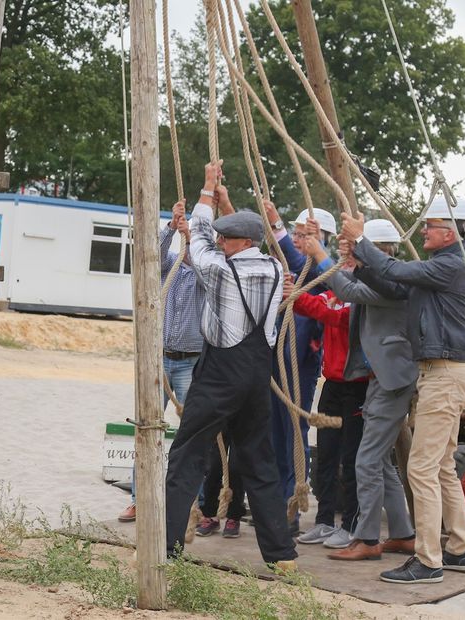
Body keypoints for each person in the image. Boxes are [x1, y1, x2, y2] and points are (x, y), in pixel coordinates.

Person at [163, 161, 296, 571]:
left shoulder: (220, 269)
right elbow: (207, 239)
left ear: (237, 242)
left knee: (186, 456)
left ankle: (164, 547)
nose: (219, 242)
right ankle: (282, 557)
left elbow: (198, 238)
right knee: (260, 464)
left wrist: (206, 192)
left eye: (225, 238)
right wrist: (223, 205)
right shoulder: (275, 270)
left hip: (220, 375)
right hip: (256, 376)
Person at [343, 197, 465, 584]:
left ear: (450, 231)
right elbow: (392, 282)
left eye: (429, 225)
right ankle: (460, 548)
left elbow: (393, 267)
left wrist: (360, 243)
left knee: (420, 468)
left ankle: (429, 560)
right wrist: (360, 263)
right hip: (446, 372)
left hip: (444, 374)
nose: (422, 231)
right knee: (441, 467)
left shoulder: (450, 265)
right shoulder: (445, 266)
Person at [324, 218, 418, 561]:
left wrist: (322, 256)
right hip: (385, 377)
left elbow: (347, 290)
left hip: (390, 379)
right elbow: (350, 282)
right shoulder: (387, 277)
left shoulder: (391, 282)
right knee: (379, 462)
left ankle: (366, 539)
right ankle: (402, 533)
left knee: (366, 461)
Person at [118, 201, 206, 524]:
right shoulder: (168, 264)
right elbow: (148, 256)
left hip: (189, 363)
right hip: (160, 361)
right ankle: (138, 500)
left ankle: (188, 504)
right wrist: (171, 226)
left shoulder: (204, 270)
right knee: (146, 426)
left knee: (191, 433)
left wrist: (192, 239)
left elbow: (204, 269)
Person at [288, 221, 369, 549]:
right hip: (334, 383)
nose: (343, 264)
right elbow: (322, 303)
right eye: (342, 258)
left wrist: (297, 297)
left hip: (358, 385)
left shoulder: (363, 291)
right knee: (328, 453)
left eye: (350, 260)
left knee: (351, 458)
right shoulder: (338, 290)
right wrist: (291, 294)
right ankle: (324, 520)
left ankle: (350, 524)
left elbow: (334, 313)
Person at [263, 204, 336, 532]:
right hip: (278, 359)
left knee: (294, 433)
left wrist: (276, 223)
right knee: (276, 432)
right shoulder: (294, 268)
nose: (296, 239)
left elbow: (293, 257)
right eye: (295, 233)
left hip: (300, 362)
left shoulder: (324, 272)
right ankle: (280, 498)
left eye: (304, 234)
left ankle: (292, 501)